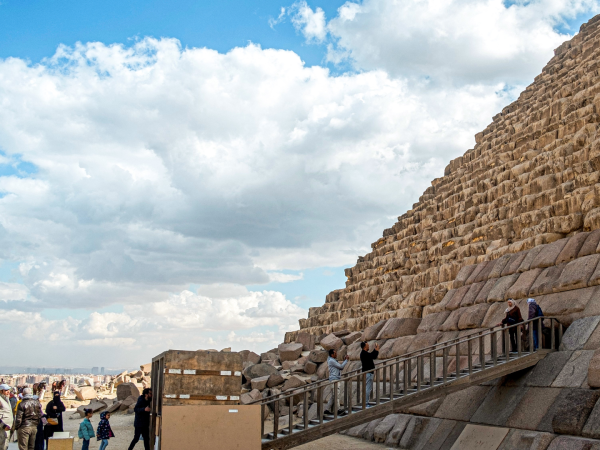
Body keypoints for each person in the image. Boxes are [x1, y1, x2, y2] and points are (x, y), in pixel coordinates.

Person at [325, 349, 349, 415]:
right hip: (334, 380)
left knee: (333, 396)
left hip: (334, 379)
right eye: (335, 353)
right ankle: (338, 410)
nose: (336, 354)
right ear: (332, 354)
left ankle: (326, 409)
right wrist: (346, 360)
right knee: (336, 395)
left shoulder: (332, 360)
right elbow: (341, 367)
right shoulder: (332, 361)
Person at [360, 341, 379, 408]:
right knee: (368, 388)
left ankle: (365, 402)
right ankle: (366, 403)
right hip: (369, 373)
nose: (368, 347)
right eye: (367, 346)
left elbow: (371, 355)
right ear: (365, 347)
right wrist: (376, 351)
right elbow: (373, 356)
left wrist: (375, 350)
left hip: (367, 373)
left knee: (367, 388)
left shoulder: (364, 353)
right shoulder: (364, 354)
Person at [0, 384, 13, 450]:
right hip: (1, 429)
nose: (8, 392)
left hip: (6, 430)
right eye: (6, 390)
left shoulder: (6, 399)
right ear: (1, 391)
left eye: (9, 390)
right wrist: (3, 425)